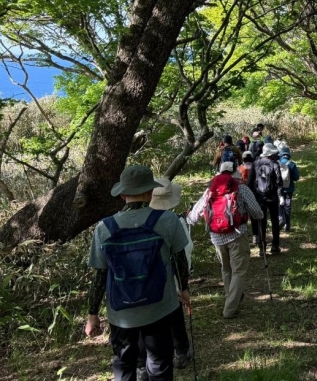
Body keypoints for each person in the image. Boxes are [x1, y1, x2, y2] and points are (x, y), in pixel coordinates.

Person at [85, 165, 190, 381]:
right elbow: (180, 261)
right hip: (161, 307)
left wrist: (92, 314)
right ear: (151, 192)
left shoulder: (104, 228)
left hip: (121, 314)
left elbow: (100, 276)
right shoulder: (168, 220)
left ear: (122, 195)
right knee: (160, 364)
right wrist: (184, 289)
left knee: (124, 364)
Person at [135, 178, 193, 380]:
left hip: (143, 281)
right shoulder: (174, 221)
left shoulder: (139, 220)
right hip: (170, 278)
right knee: (174, 315)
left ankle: (141, 365)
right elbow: (184, 252)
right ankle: (181, 351)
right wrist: (183, 285)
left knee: (143, 321)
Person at [188, 162, 263, 319]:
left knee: (226, 269)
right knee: (239, 271)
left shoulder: (210, 189)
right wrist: (258, 216)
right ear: (235, 172)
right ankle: (230, 309)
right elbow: (257, 212)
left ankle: (232, 299)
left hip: (216, 236)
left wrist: (189, 219)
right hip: (237, 234)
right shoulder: (241, 188)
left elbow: (195, 214)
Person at [248, 143, 283, 255]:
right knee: (274, 221)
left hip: (259, 197)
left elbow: (250, 181)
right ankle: (275, 246)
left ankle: (262, 247)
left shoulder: (255, 163)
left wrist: (251, 196)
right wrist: (280, 196)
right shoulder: (275, 164)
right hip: (273, 197)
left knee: (261, 221)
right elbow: (279, 182)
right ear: (271, 154)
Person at [277, 147, 300, 232]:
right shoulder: (292, 164)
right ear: (289, 155)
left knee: (280, 204)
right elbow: (296, 177)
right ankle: (287, 224)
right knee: (287, 205)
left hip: (279, 189)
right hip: (289, 189)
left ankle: (280, 219)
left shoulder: (277, 163)